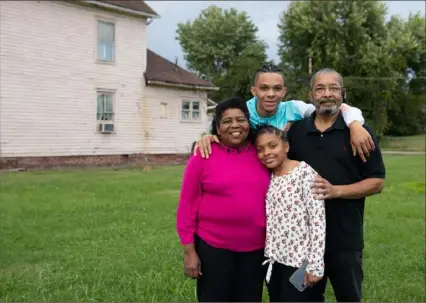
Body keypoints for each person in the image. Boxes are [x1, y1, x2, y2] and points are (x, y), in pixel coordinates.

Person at [287, 68, 386, 302]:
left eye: (333, 88)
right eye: (320, 88)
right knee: (302, 298)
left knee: (349, 297)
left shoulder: (359, 133)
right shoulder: (297, 132)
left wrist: (336, 191)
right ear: (310, 94)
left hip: (345, 240)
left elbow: (377, 182)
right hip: (304, 243)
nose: (327, 93)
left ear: (343, 93)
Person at [176, 97, 270, 302]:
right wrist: (189, 251)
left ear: (248, 123)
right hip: (213, 248)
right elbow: (187, 205)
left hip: (256, 250)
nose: (235, 125)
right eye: (227, 121)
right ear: (217, 128)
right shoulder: (203, 154)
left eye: (240, 119)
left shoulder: (264, 153)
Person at [195, 63, 375, 162]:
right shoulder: (243, 112)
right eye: (264, 88)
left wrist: (355, 124)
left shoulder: (293, 109)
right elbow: (222, 129)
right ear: (253, 90)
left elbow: (337, 108)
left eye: (277, 88)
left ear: (284, 91)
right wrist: (207, 137)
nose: (271, 94)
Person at [254, 124, 326, 302]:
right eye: (260, 149)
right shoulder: (268, 177)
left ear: (286, 146)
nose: (267, 153)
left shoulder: (304, 173)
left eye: (273, 146)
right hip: (275, 260)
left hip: (300, 263)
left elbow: (317, 221)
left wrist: (315, 265)